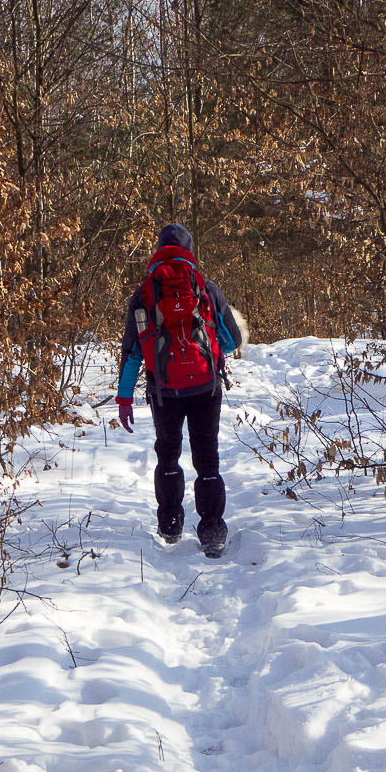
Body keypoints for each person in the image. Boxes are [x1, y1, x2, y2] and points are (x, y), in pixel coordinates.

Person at [115, 223, 242, 553]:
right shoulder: (205, 288)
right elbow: (232, 340)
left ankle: (170, 526)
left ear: (159, 250)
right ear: (189, 250)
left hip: (164, 391)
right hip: (205, 387)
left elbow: (132, 351)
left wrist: (124, 397)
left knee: (167, 454)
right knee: (207, 458)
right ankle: (212, 532)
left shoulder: (145, 293)